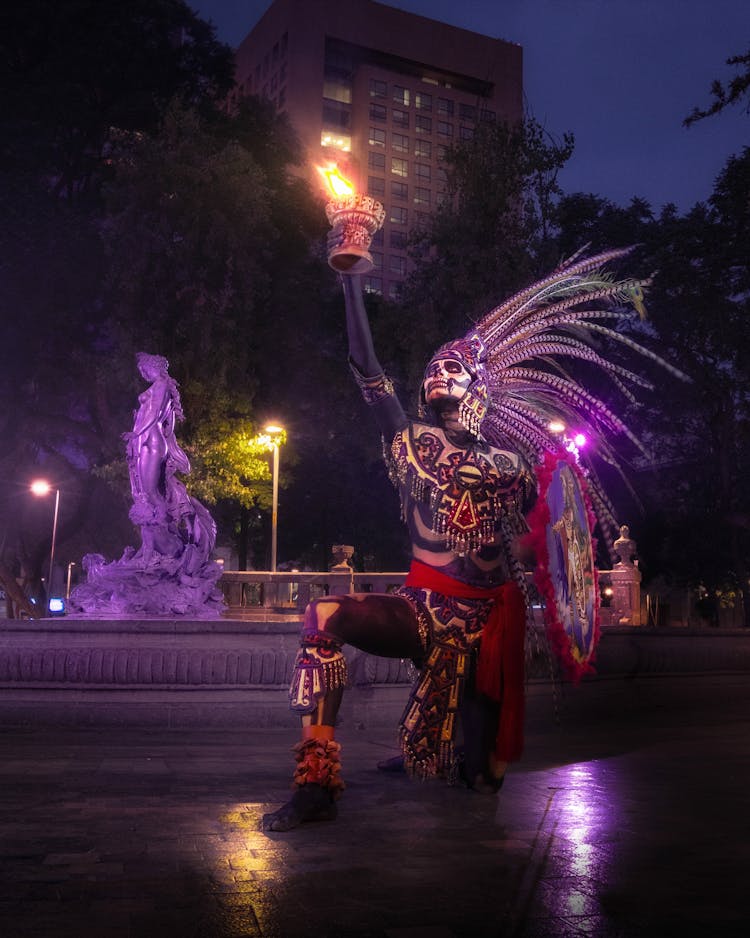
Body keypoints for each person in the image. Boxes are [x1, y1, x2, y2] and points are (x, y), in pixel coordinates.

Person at [264, 244, 676, 831]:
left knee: (483, 782)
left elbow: (535, 546)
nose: (437, 373)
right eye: (432, 367)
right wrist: (354, 282)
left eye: (451, 367)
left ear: (477, 384)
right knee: (324, 615)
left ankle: (446, 755)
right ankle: (315, 784)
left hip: (488, 624)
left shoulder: (511, 464)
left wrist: (561, 538)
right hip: (423, 608)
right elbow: (364, 364)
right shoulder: (409, 441)